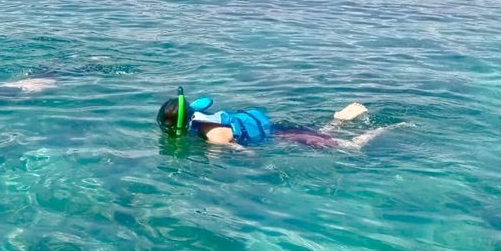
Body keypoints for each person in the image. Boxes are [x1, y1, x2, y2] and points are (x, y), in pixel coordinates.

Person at [156, 87, 398, 149]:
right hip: (272, 128)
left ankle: (389, 128)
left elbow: (244, 152)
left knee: (349, 148)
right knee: (311, 134)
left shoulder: (211, 135)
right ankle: (338, 120)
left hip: (273, 138)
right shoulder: (200, 115)